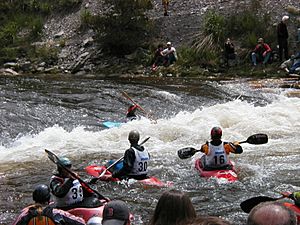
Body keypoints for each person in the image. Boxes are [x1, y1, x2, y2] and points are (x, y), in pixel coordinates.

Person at [12, 184, 86, 225]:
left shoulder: (25, 215)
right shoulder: (56, 213)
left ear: (34, 198)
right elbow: (81, 222)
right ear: (49, 199)